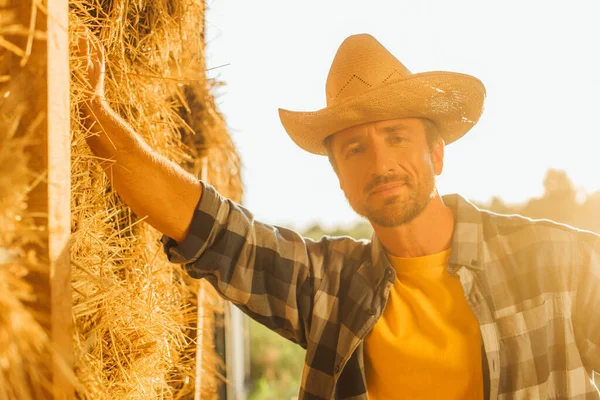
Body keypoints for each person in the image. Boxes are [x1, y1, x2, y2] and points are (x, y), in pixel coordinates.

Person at [76, 30, 599, 400]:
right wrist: (94, 111)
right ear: (339, 176)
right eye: (355, 150)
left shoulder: (560, 262)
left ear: (436, 154)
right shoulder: (331, 287)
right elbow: (208, 227)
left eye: (397, 138)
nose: (381, 163)